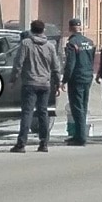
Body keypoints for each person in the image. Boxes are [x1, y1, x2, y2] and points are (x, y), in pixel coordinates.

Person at [10, 18, 61, 153]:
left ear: (31, 30)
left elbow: (18, 63)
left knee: (27, 112)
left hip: (30, 83)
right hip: (45, 84)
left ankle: (21, 144)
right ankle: (44, 143)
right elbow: (55, 66)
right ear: (43, 30)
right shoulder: (50, 46)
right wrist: (58, 83)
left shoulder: (26, 43)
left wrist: (13, 79)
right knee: (43, 112)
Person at [62, 17, 95, 146]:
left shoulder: (72, 43)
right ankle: (78, 134)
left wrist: (64, 80)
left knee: (77, 107)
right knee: (83, 106)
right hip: (87, 76)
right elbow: (92, 60)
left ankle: (80, 137)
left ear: (70, 28)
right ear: (80, 27)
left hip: (77, 78)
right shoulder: (90, 42)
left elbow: (70, 64)